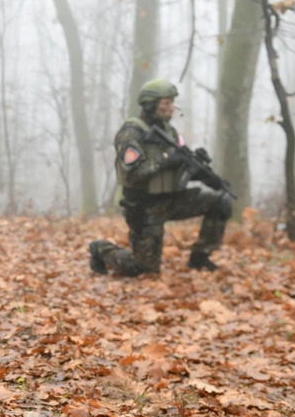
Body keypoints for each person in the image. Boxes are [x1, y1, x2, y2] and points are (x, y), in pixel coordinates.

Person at [89, 78, 232, 276]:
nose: (171, 108)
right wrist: (165, 160)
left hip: (172, 199)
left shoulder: (170, 132)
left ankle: (200, 257)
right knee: (144, 271)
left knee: (221, 202)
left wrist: (202, 173)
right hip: (144, 207)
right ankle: (101, 249)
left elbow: (177, 168)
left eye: (172, 103)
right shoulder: (131, 133)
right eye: (166, 103)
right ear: (149, 104)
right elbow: (133, 174)